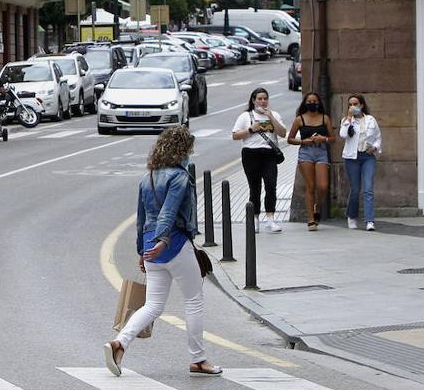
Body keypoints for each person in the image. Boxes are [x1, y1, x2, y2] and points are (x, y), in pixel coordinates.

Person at [104, 126, 220, 378]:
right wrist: (163, 240)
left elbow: (141, 217)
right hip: (173, 243)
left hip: (150, 246)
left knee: (153, 304)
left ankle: (119, 343)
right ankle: (198, 359)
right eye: (189, 149)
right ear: (182, 150)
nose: (191, 153)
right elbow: (168, 211)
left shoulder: (148, 178)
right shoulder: (179, 177)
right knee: (194, 300)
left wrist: (142, 249)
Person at [231, 87, 288, 233]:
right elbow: (235, 135)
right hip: (251, 154)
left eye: (265, 99)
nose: (262, 102)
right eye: (259, 99)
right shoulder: (245, 116)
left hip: (269, 154)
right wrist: (250, 129)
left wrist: (272, 118)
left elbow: (282, 133)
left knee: (271, 185)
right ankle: (255, 219)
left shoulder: (274, 115)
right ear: (253, 100)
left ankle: (270, 218)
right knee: (254, 187)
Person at [287, 93, 333, 231]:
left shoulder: (325, 118)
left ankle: (318, 206)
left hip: (321, 152)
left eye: (315, 101)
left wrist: (323, 139)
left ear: (319, 103)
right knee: (310, 186)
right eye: (309, 101)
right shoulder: (300, 119)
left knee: (323, 186)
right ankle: (311, 219)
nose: (312, 103)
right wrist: (302, 141)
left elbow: (333, 138)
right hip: (306, 152)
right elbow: (290, 138)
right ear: (305, 103)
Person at [338, 94, 382, 231]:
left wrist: (375, 147)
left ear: (362, 105)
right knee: (355, 189)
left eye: (355, 104)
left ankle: (369, 221)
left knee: (368, 189)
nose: (353, 107)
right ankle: (351, 216)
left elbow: (378, 138)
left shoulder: (370, 120)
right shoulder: (346, 121)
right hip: (352, 158)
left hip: (367, 157)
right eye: (350, 104)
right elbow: (343, 135)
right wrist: (349, 118)